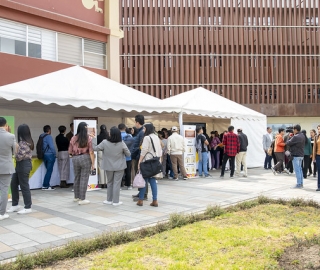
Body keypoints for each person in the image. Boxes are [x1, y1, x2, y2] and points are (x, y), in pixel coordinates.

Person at [94, 126, 130, 206]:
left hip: (108, 166)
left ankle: (109, 200)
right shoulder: (121, 143)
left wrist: (93, 140)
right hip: (120, 166)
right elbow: (128, 153)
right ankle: (116, 201)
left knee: (109, 182)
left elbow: (95, 148)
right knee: (117, 183)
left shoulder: (104, 142)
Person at [8, 124, 34, 214]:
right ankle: (15, 205)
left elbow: (19, 157)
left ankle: (28, 207)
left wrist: (14, 152)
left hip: (24, 165)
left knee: (24, 186)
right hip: (21, 165)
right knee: (13, 184)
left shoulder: (23, 143)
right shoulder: (25, 141)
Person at [68, 122, 95, 205]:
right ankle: (82, 198)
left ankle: (76, 197)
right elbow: (91, 152)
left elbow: (70, 151)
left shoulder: (73, 138)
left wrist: (73, 156)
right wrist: (93, 164)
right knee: (84, 178)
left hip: (75, 158)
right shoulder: (88, 138)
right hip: (85, 158)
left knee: (77, 177)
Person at [137, 123, 162, 207]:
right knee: (153, 180)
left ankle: (140, 200)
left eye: (144, 128)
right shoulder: (156, 137)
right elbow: (160, 150)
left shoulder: (147, 138)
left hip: (147, 161)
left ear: (147, 129)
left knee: (144, 180)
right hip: (155, 161)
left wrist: (140, 161)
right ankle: (155, 200)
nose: (143, 130)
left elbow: (144, 150)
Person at [0, 117, 16, 220]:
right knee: (5, 190)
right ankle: (2, 213)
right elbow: (14, 152)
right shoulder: (11, 136)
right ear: (6, 125)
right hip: (6, 166)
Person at [131, 115, 148, 201]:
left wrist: (138, 157)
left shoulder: (142, 132)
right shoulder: (141, 131)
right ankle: (140, 193)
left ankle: (143, 194)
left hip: (139, 156)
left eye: (135, 122)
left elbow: (141, 146)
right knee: (140, 175)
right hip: (139, 155)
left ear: (137, 122)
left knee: (141, 175)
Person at [286, 124, 305, 189]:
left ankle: (299, 184)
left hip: (296, 155)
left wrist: (289, 137)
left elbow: (288, 143)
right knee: (300, 169)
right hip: (301, 154)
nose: (293, 131)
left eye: (293, 129)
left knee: (297, 170)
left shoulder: (295, 137)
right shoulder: (302, 135)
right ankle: (301, 183)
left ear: (296, 129)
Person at [41, 125, 56, 190]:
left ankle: (46, 184)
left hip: (44, 154)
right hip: (50, 155)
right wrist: (54, 154)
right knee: (49, 171)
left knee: (48, 170)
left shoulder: (41, 136)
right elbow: (52, 146)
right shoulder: (49, 137)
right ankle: (45, 185)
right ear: (49, 130)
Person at [119, 123, 133, 189]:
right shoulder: (129, 135)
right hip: (128, 156)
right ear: (125, 128)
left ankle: (121, 185)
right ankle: (128, 185)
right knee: (128, 171)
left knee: (120, 171)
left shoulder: (117, 136)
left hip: (120, 157)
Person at [312, 125, 320, 191]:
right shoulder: (316, 137)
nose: (319, 130)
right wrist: (313, 157)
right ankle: (319, 186)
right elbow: (314, 148)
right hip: (318, 156)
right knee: (319, 171)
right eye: (318, 129)